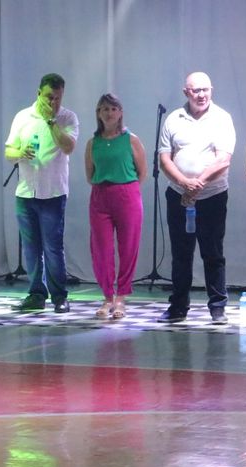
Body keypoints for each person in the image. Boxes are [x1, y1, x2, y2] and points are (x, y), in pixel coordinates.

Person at [157, 71, 236, 324]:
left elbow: (223, 160)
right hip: (178, 196)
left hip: (212, 197)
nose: (201, 95)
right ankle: (178, 306)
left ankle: (218, 307)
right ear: (186, 92)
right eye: (196, 90)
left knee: (213, 252)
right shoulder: (173, 118)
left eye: (205, 89)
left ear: (211, 90)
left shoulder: (222, 118)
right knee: (181, 254)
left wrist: (197, 184)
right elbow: (164, 159)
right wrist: (184, 183)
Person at [4, 73, 79, 313]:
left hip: (53, 193)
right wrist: (19, 153)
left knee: (53, 247)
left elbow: (68, 147)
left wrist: (51, 121)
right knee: (31, 248)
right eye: (48, 97)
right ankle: (36, 294)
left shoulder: (67, 118)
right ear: (38, 93)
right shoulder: (22, 117)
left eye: (57, 98)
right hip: (26, 193)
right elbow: (9, 152)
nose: (53, 102)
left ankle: (59, 296)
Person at [84, 93, 147, 319]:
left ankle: (121, 297)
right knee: (101, 249)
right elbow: (90, 175)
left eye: (113, 109)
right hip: (100, 196)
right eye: (105, 109)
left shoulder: (131, 140)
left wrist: (127, 190)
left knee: (128, 247)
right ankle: (107, 297)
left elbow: (142, 172)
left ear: (120, 113)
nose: (109, 113)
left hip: (127, 195)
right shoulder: (93, 143)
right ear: (98, 113)